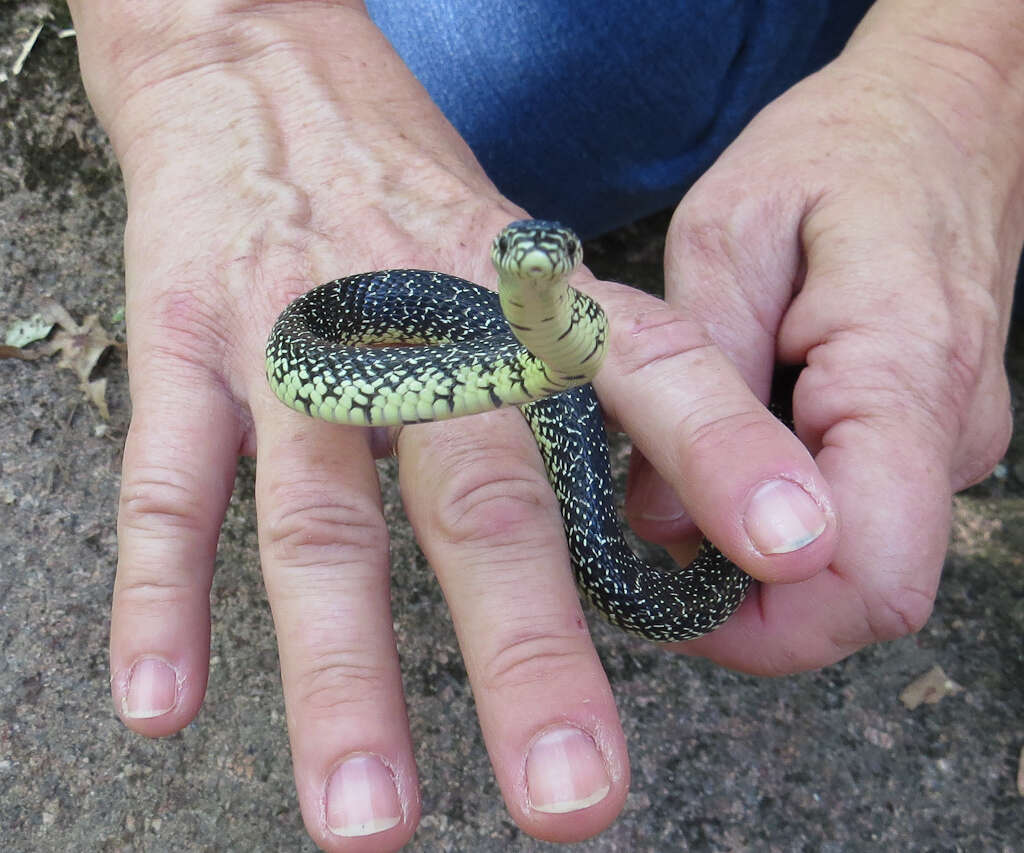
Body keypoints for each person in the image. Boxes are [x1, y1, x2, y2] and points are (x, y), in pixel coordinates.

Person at [66, 0, 1022, 850]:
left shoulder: (550, 337)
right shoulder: (499, 334)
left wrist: (960, 80)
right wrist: (205, 38)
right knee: (451, 88)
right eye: (527, 254)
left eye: (546, 254)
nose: (534, 256)